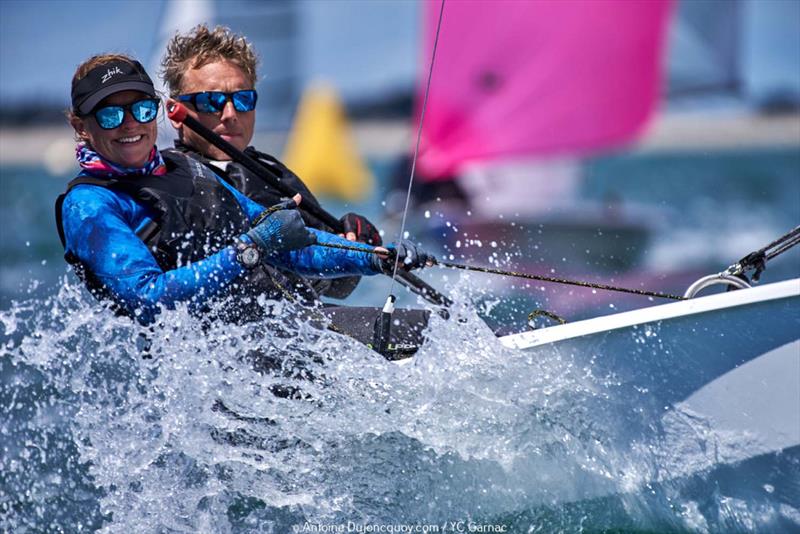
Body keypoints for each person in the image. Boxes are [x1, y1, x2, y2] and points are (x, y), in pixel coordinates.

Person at [55, 54, 432, 330]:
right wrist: (248, 252)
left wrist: (373, 258)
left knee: (428, 335)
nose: (129, 125)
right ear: (81, 126)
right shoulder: (91, 204)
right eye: (109, 115)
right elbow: (148, 299)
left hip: (277, 334)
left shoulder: (190, 169)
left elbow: (292, 243)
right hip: (205, 375)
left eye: (139, 109)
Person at [161, 24, 379, 300]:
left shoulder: (274, 176)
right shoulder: (164, 180)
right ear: (175, 112)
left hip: (298, 330)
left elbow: (339, 287)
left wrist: (359, 245)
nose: (229, 114)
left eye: (242, 99)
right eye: (210, 101)